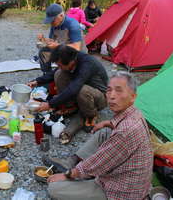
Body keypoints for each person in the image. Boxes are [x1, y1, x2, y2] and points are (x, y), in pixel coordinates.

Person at [45, 71, 153, 200]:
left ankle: (73, 171)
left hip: (119, 192)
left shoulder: (125, 131)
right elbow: (118, 126)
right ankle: (71, 162)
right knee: (105, 132)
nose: (112, 96)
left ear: (133, 96)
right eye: (109, 90)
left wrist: (67, 175)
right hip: (126, 177)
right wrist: (108, 123)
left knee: (54, 188)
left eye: (119, 91)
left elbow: (98, 163)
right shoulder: (135, 113)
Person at [29, 45, 108, 144]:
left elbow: (74, 88)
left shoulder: (87, 64)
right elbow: (54, 73)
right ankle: (70, 106)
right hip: (83, 89)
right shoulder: (70, 58)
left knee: (82, 90)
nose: (60, 67)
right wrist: (37, 81)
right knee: (59, 73)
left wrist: (50, 104)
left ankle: (91, 115)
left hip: (100, 96)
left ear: (71, 62)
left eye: (61, 65)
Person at [37, 3, 87, 74]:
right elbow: (52, 40)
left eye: (52, 20)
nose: (51, 23)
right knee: (43, 52)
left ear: (61, 15)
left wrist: (57, 46)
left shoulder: (72, 24)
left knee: (61, 74)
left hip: (75, 53)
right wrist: (44, 39)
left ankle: (62, 73)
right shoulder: (54, 25)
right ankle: (47, 74)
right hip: (62, 48)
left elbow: (77, 47)